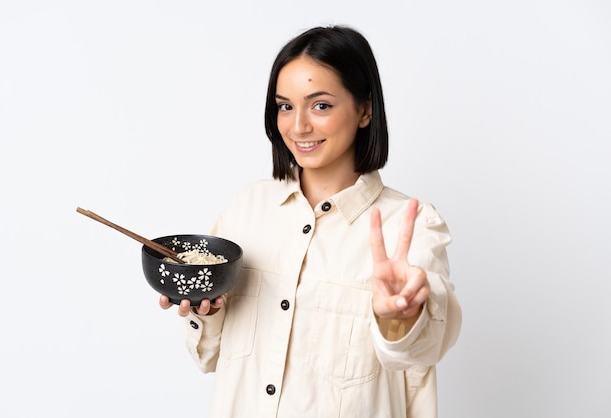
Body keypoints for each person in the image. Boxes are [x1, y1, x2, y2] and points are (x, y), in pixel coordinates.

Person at [159, 25, 462, 418]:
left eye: (320, 105)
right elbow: (208, 358)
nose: (298, 126)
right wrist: (207, 310)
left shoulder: (410, 224)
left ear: (365, 109)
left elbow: (427, 345)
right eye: (285, 105)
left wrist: (399, 319)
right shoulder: (246, 209)